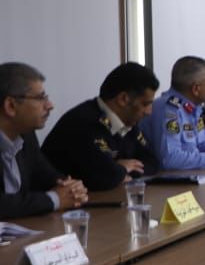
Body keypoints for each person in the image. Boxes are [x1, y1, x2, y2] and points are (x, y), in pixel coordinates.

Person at [42, 62, 159, 191]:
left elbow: (152, 163)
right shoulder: (83, 122)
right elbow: (104, 176)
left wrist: (120, 170)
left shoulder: (129, 123)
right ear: (123, 99)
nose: (149, 112)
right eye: (145, 104)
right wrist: (121, 169)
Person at [0, 62, 88, 218]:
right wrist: (54, 199)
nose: (50, 105)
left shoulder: (26, 135)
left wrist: (72, 189)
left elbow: (47, 175)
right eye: (41, 98)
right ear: (11, 106)